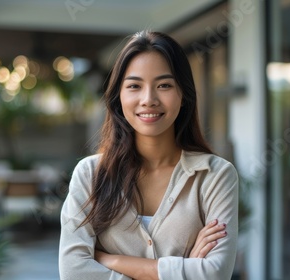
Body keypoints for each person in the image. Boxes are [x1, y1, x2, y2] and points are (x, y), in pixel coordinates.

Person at [59, 30, 239, 280]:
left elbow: (215, 273)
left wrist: (110, 259)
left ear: (183, 95)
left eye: (164, 85)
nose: (148, 99)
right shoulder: (90, 175)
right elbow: (73, 272)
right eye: (134, 86)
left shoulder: (215, 175)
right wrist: (184, 269)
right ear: (118, 96)